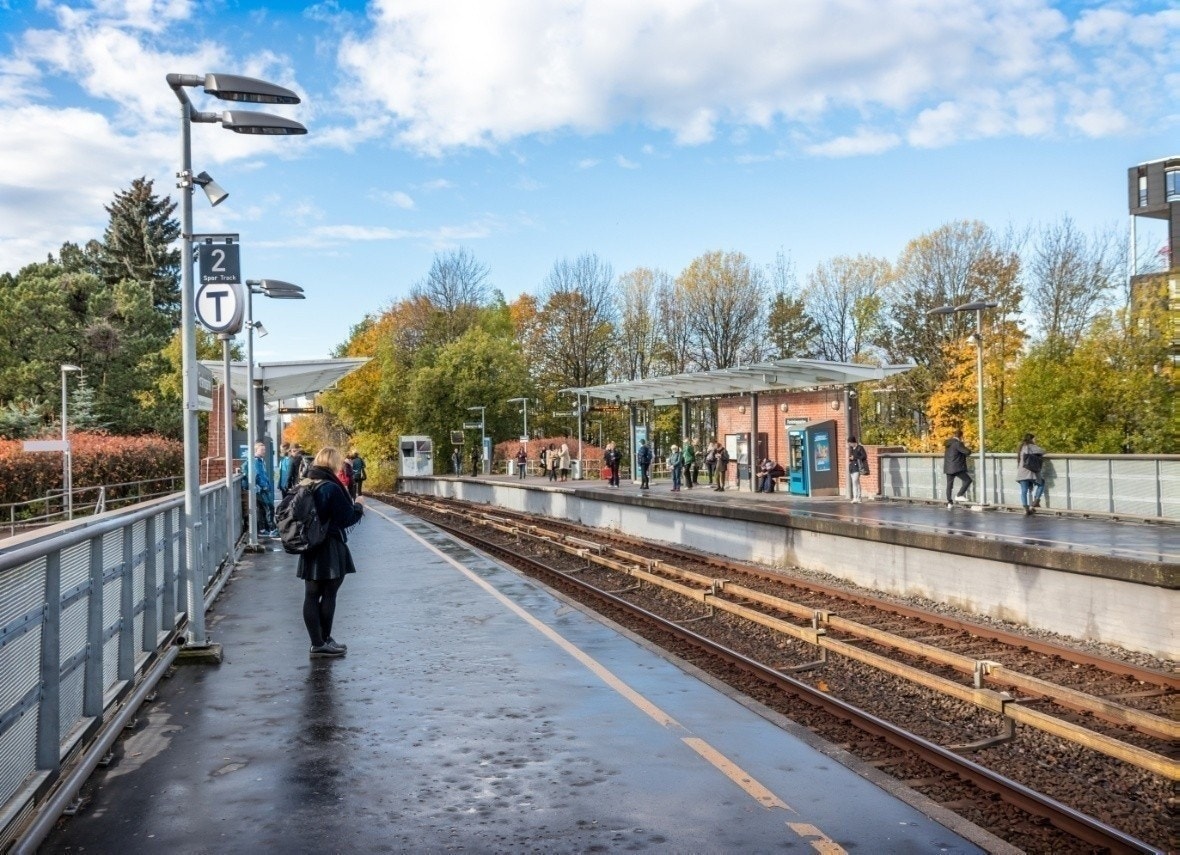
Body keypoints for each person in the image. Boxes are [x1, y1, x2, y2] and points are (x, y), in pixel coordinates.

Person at [296, 446, 364, 659]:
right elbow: (346, 519)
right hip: (330, 546)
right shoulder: (331, 487)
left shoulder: (306, 483)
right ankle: (321, 642)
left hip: (309, 546)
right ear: (334, 463)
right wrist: (359, 507)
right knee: (329, 594)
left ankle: (320, 642)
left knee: (311, 594)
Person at [246, 441, 277, 535]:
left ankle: (263, 530)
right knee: (269, 508)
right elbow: (258, 475)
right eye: (262, 449)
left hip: (260, 489)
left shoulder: (260, 460)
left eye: (264, 449)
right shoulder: (256, 461)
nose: (264, 451)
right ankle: (272, 529)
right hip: (261, 489)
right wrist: (264, 486)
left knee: (261, 509)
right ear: (256, 450)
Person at [1016, 433, 1047, 515]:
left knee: (1024, 490)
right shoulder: (1031, 446)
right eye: (1035, 439)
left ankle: (1025, 508)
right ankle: (1036, 501)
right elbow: (1043, 451)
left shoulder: (1021, 447)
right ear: (1031, 439)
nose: (1035, 440)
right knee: (1041, 483)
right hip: (1030, 472)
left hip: (1022, 472)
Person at [943, 430, 973, 508]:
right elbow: (967, 452)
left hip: (948, 467)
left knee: (949, 485)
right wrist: (966, 446)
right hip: (956, 467)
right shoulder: (958, 444)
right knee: (968, 480)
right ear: (961, 436)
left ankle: (949, 502)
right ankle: (959, 495)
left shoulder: (948, 444)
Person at [848, 437, 868, 504]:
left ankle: (855, 498)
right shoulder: (851, 449)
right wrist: (850, 459)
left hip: (857, 467)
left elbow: (864, 456)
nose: (849, 444)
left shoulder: (860, 448)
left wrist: (855, 457)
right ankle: (859, 498)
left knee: (854, 482)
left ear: (853, 442)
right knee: (857, 483)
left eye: (850, 443)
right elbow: (851, 458)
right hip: (852, 468)